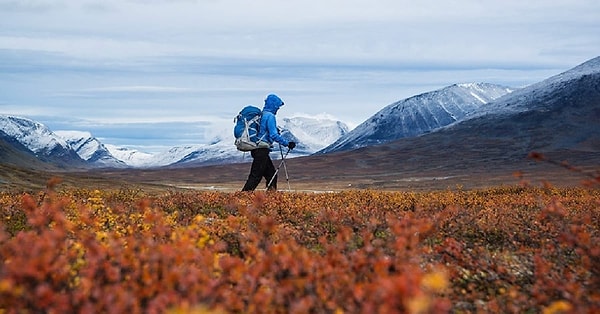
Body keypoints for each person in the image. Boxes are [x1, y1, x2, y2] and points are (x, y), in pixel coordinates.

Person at [242, 94, 296, 191]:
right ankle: (242, 197)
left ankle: (270, 198)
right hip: (262, 150)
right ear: (273, 105)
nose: (278, 109)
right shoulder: (270, 116)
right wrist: (287, 144)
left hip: (258, 149)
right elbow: (273, 135)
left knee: (271, 175)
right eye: (277, 106)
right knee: (256, 176)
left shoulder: (263, 114)